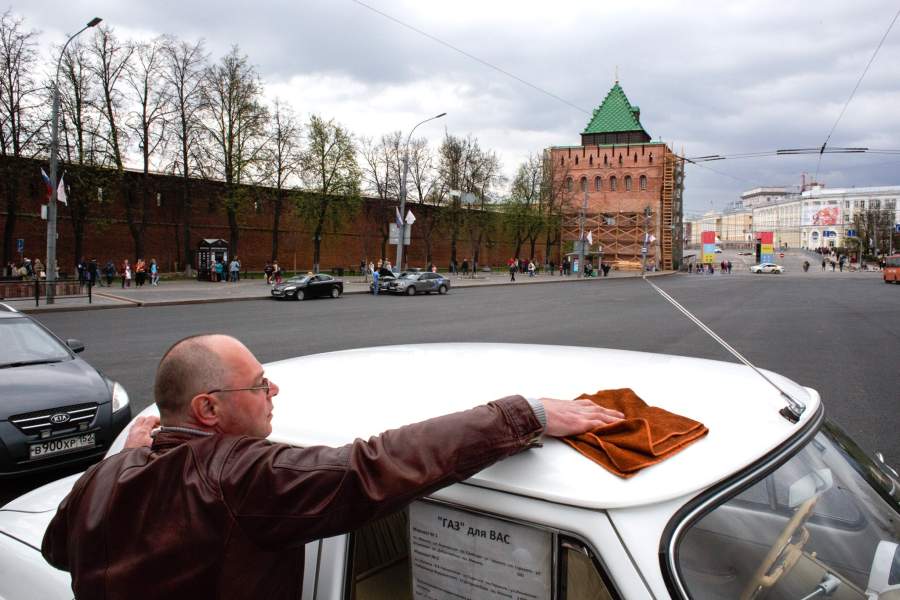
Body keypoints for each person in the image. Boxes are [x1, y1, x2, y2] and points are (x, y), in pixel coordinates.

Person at [40, 334, 622, 598]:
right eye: (258, 384)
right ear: (208, 408)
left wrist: (129, 455)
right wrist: (524, 415)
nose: (273, 389)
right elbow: (373, 467)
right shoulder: (237, 475)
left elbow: (58, 549)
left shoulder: (108, 474)